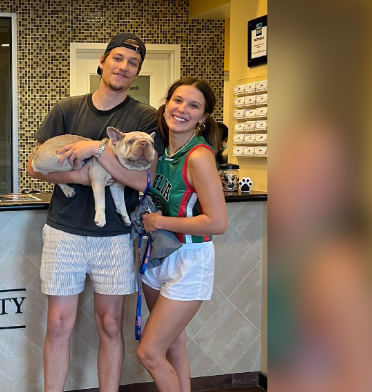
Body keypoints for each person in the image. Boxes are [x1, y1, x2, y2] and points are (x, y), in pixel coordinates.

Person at [26, 33, 164, 392]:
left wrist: (97, 150)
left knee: (110, 324)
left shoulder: (145, 117)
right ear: (102, 62)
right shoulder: (66, 109)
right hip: (64, 230)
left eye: (133, 63)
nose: (124, 67)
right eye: (117, 58)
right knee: (58, 324)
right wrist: (91, 176)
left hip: (115, 237)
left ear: (137, 73)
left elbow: (144, 181)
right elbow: (35, 167)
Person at [136, 77, 228, 392]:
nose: (182, 109)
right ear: (166, 104)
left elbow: (217, 223)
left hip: (189, 261)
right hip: (159, 256)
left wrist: (161, 223)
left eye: (193, 105)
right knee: (173, 344)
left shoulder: (198, 156)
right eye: (177, 100)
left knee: (149, 353)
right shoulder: (161, 151)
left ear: (203, 118)